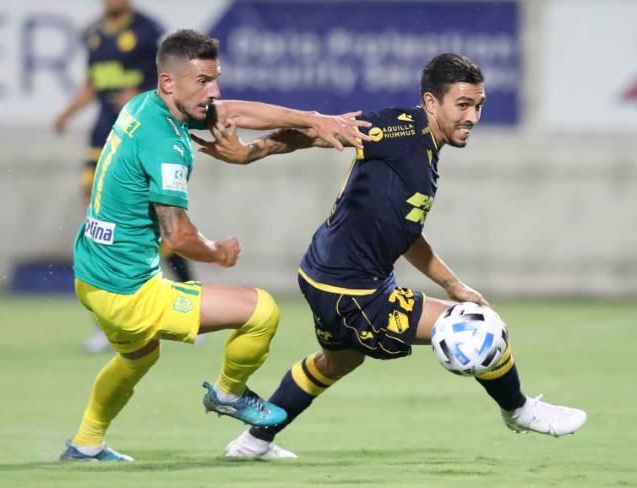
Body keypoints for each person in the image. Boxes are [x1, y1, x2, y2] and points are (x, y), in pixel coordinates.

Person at [194, 53, 588, 459]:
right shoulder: (402, 130)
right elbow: (319, 130)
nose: (472, 116)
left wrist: (453, 284)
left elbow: (406, 233)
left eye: (478, 105)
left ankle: (253, 442)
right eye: (463, 105)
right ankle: (519, 410)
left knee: (337, 363)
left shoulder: (427, 149)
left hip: (324, 275)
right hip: (352, 292)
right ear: (431, 102)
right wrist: (250, 152)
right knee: (476, 326)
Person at [59, 29, 371, 462]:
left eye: (215, 79)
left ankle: (86, 443)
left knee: (138, 359)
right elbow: (177, 236)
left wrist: (313, 120)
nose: (215, 91)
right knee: (261, 312)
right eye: (203, 81)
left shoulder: (144, 105)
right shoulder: (166, 144)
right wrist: (216, 252)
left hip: (92, 274)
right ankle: (228, 393)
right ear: (169, 82)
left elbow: (237, 111)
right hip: (129, 293)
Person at [53, 0, 194, 353]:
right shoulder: (93, 33)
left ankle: (190, 300)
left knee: (160, 230)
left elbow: (170, 81)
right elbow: (93, 82)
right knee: (98, 229)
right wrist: (67, 113)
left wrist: (143, 95)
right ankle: (106, 323)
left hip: (137, 144)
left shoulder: (147, 31)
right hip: (101, 143)